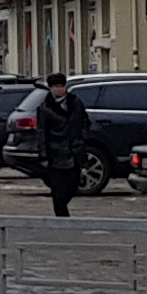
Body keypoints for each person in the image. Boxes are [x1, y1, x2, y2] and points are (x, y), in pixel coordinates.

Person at [25, 72, 93, 216]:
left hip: (75, 151)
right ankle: (62, 218)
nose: (59, 89)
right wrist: (43, 155)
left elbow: (85, 121)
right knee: (58, 189)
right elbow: (41, 132)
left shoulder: (75, 103)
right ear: (50, 88)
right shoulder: (45, 108)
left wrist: (83, 137)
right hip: (55, 154)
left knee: (74, 184)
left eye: (61, 86)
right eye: (56, 86)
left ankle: (62, 215)